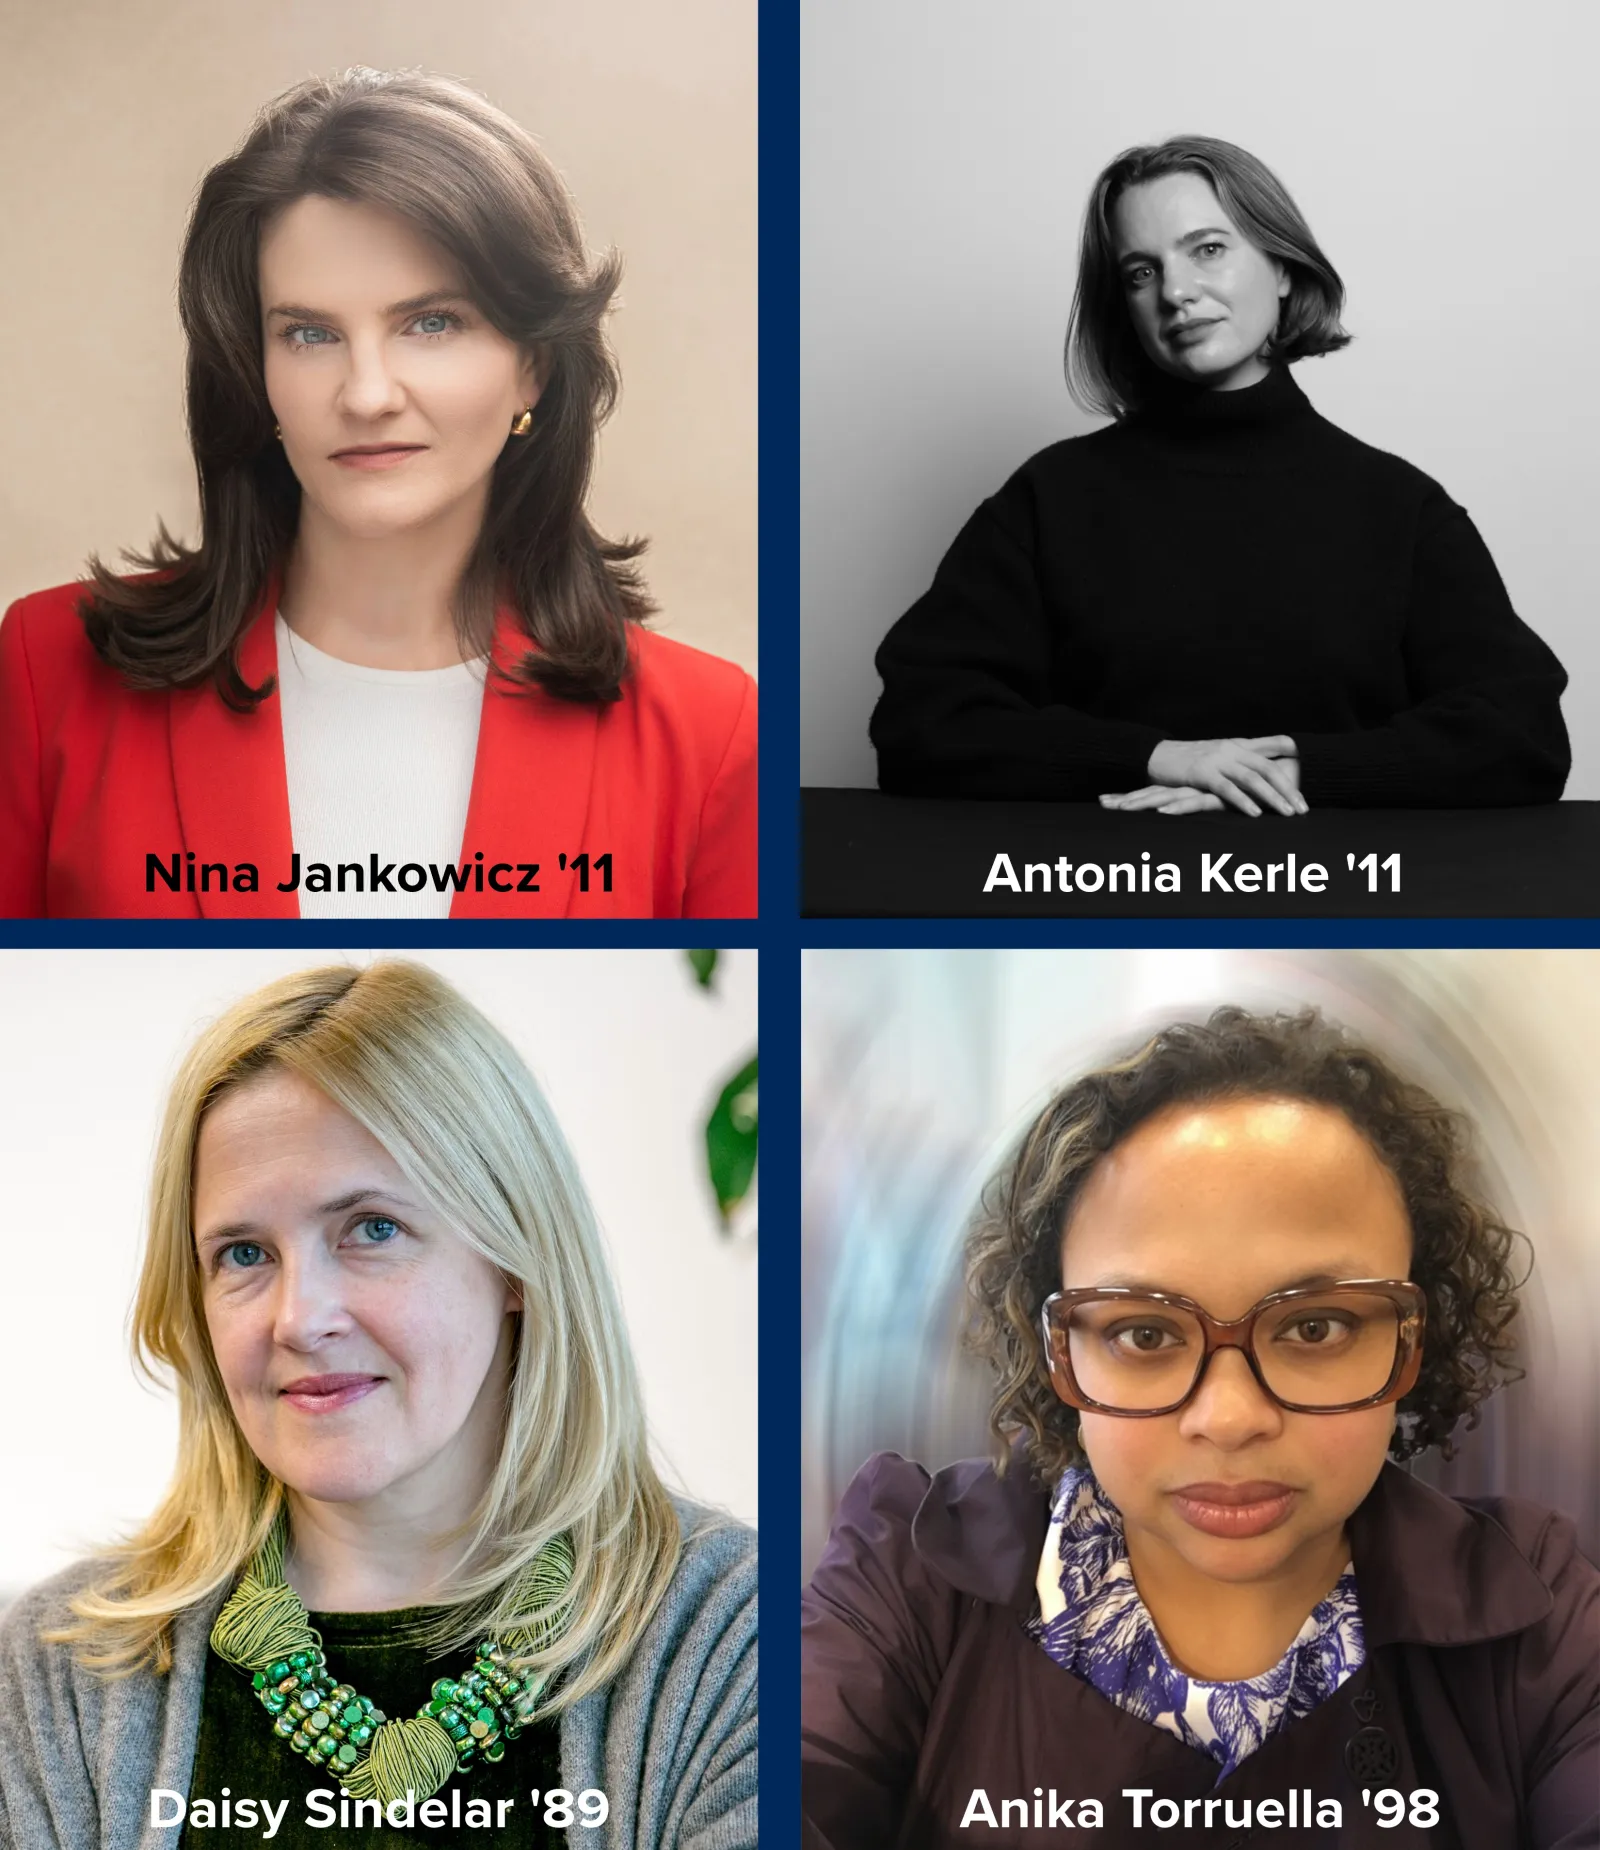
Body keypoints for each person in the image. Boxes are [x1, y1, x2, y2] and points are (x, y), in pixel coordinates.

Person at [0, 961, 757, 1848]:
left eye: (373, 1229)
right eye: (244, 1254)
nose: (300, 1318)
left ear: (515, 1260)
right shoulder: (58, 1671)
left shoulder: (732, 1637)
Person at [801, 1007, 1597, 1848]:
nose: (1230, 1418)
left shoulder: (1537, 1616)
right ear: (1057, 1350)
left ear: (1414, 1337)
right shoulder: (912, 1574)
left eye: (1316, 1327)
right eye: (1144, 1334)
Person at [0, 69, 757, 920]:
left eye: (431, 323)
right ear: (257, 372)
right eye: (310, 334)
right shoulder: (45, 674)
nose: (366, 395)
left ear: (534, 366)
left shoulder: (709, 732)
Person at [869, 137, 1569, 817]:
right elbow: (920, 723)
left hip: (1336, 897)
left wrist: (1297, 775)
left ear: (1284, 266)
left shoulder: (1401, 508)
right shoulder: (1049, 500)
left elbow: (1523, 735)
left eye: (1208, 249)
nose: (1176, 291)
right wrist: (1159, 755)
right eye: (1141, 272)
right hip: (1097, 897)